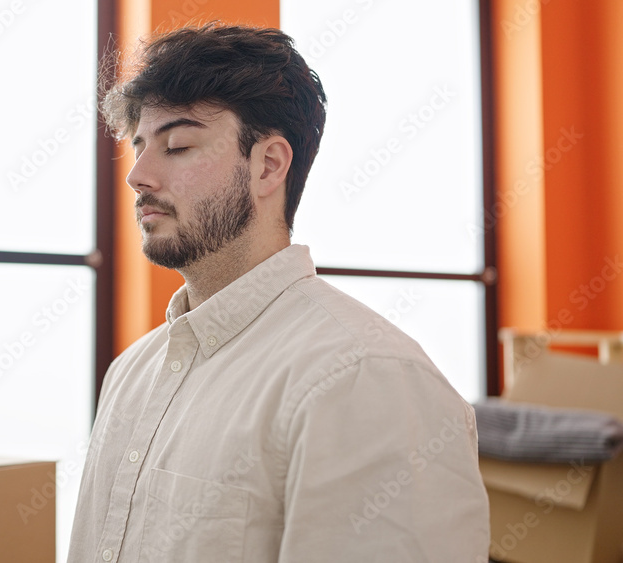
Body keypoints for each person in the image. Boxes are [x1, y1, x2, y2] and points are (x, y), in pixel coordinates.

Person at [68, 23, 490, 563]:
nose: (138, 176)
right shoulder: (131, 372)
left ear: (268, 165)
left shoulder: (367, 378)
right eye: (138, 148)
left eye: (177, 145)